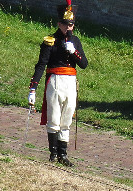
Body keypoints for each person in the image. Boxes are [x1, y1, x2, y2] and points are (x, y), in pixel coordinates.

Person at [28, 1, 88, 167]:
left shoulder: (75, 41)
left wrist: (73, 51)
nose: (69, 28)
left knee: (66, 118)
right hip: (55, 81)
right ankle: (53, 153)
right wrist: (33, 88)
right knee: (54, 117)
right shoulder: (50, 41)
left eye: (72, 25)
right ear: (59, 24)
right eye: (66, 24)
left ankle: (63, 153)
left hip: (70, 82)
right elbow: (41, 65)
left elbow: (84, 64)